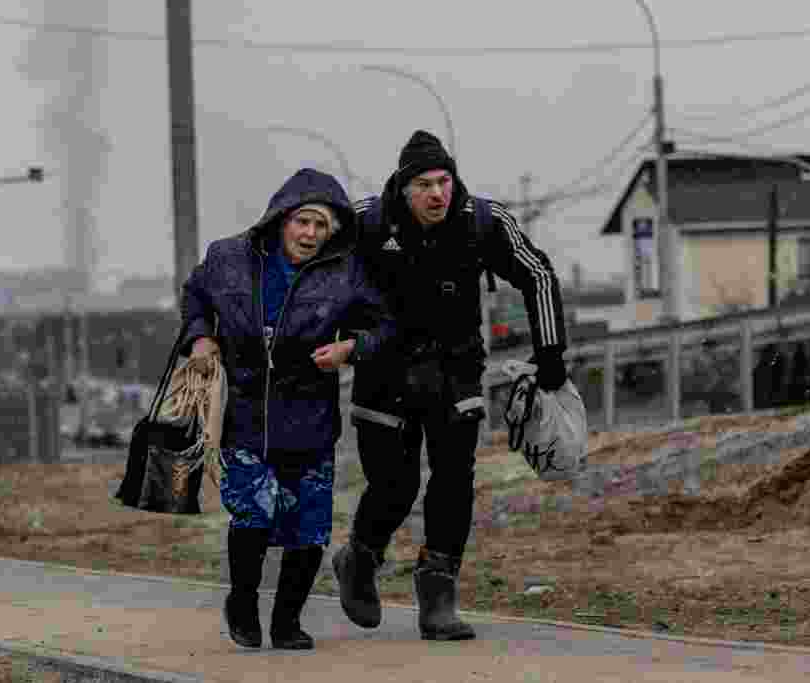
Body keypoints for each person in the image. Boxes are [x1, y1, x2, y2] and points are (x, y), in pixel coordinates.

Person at [333, 130, 569, 641]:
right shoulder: (365, 222)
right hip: (384, 369)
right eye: (424, 185)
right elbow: (315, 279)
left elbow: (537, 274)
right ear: (404, 187)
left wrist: (550, 352)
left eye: (443, 181)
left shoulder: (483, 220)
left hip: (455, 368)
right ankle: (359, 559)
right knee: (394, 486)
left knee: (454, 479)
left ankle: (438, 594)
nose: (437, 193)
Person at [177, 168, 396, 650]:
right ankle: (242, 602)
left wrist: (351, 349)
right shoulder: (229, 258)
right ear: (281, 220)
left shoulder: (346, 272)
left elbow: (385, 326)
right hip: (246, 413)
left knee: (309, 528)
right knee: (253, 514)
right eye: (302, 222)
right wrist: (200, 337)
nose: (310, 234)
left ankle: (287, 621)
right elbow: (194, 295)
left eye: (321, 226)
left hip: (310, 415)